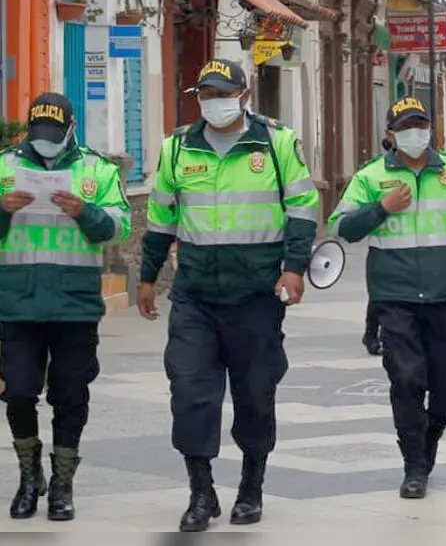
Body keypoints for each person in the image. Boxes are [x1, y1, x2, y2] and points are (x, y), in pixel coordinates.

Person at [137, 59, 320, 531]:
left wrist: (294, 268)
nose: (213, 101)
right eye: (205, 93)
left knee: (255, 395)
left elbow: (301, 208)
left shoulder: (276, 142)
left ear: (243, 93)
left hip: (256, 294)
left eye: (221, 92)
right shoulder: (177, 148)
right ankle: (201, 494)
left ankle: (250, 488)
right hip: (195, 294)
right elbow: (160, 218)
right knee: (190, 393)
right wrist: (147, 275)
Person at [327, 96, 446, 499]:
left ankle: (428, 437)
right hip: (395, 296)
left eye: (420, 125)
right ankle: (414, 467)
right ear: (391, 135)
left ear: (431, 130)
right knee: (406, 379)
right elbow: (342, 227)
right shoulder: (371, 176)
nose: (414, 134)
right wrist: (381, 208)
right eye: (405, 127)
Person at [0, 93, 131, 521]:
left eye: (53, 135)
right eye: (39, 135)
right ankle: (28, 473)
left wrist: (84, 212)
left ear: (70, 129)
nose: (46, 142)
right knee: (17, 391)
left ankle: (62, 483)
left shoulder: (96, 169)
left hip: (74, 304)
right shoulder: (5, 166)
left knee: (69, 395)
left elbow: (118, 228)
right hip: (16, 302)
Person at [362, 131, 397, 357]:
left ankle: (383, 336)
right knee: (379, 297)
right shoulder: (374, 171)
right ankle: (371, 334)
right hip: (383, 250)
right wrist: (382, 207)